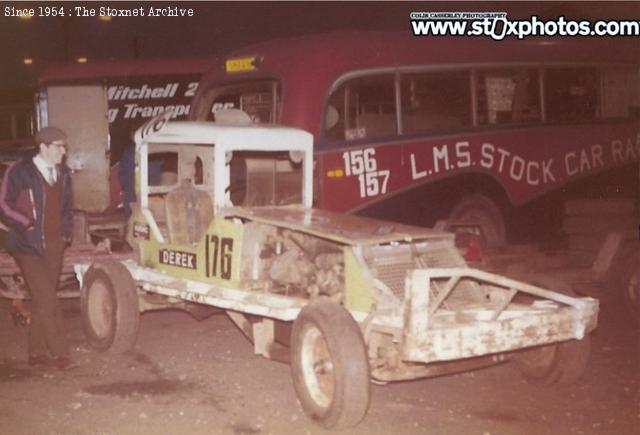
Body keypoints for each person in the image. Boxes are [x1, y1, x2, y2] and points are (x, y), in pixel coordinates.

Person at [0, 126, 76, 370]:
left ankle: (36, 353)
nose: (63, 152)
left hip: (54, 242)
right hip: (26, 244)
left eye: (64, 147)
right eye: (58, 147)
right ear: (43, 147)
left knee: (42, 298)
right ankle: (60, 353)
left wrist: (66, 233)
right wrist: (27, 223)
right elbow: (4, 204)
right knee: (46, 296)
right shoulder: (19, 171)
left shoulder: (62, 173)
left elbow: (67, 206)